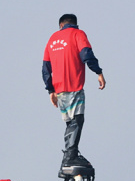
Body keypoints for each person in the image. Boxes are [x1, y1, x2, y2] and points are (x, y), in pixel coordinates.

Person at [42, 13, 105, 169]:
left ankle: (70, 155)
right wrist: (98, 72)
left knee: (70, 122)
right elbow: (86, 54)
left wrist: (50, 90)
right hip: (74, 85)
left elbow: (45, 67)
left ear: (61, 25)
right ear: (75, 24)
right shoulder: (78, 34)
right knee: (77, 120)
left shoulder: (52, 39)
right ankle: (70, 156)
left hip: (59, 90)